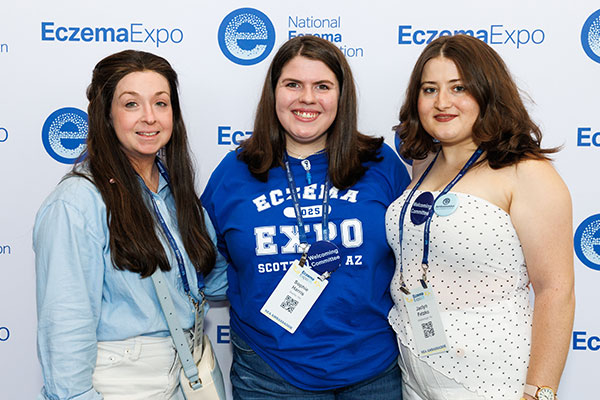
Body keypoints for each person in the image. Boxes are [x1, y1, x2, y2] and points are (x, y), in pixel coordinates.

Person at [201, 35, 410, 399]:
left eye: (322, 86)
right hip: (270, 371)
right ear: (274, 93)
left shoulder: (381, 165)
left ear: (341, 96)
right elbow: (205, 258)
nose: (307, 98)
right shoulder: (234, 173)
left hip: (374, 369)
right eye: (293, 84)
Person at [386, 34, 575, 400]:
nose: (442, 102)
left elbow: (556, 290)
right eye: (429, 89)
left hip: (491, 381)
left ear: (488, 93)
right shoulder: (422, 163)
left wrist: (539, 392)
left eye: (459, 88)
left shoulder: (527, 173)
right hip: (413, 375)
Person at [33, 50, 227, 400]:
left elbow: (217, 282)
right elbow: (65, 330)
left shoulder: (175, 191)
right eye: (131, 104)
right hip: (125, 383)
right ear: (106, 114)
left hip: (190, 370)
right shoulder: (77, 202)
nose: (150, 118)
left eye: (161, 103)